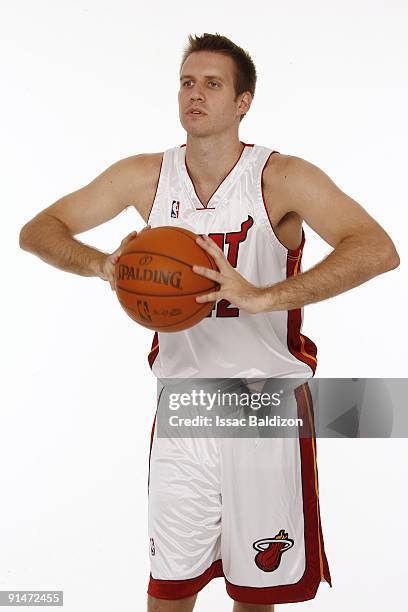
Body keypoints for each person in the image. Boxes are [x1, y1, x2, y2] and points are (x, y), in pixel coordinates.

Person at [19, 33, 399, 612]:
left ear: (243, 101)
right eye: (187, 83)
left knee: (255, 591)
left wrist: (266, 296)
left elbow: (376, 249)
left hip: (262, 407)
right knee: (169, 590)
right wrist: (105, 265)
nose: (195, 94)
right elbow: (38, 229)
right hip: (184, 406)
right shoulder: (145, 176)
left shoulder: (281, 178)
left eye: (212, 84)